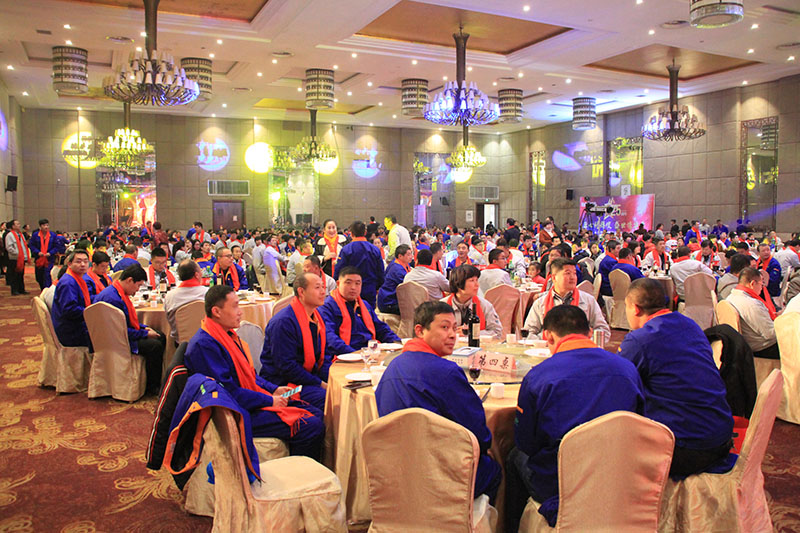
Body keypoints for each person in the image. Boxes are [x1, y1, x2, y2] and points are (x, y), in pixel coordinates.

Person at [506, 304, 644, 530]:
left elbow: (527, 442)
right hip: (617, 475)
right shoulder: (627, 368)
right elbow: (639, 423)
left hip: (561, 483)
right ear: (589, 332)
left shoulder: (539, 376)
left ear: (548, 336)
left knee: (514, 456)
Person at [375, 301, 502, 502]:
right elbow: (477, 433)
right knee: (494, 469)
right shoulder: (446, 373)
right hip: (440, 475)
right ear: (420, 331)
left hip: (396, 471)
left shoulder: (393, 365)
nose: (452, 335)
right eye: (444, 327)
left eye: (454, 328)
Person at [184, 285, 324, 458]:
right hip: (233, 412)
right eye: (235, 306)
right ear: (216, 311)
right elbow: (227, 393)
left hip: (247, 399)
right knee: (311, 425)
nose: (240, 312)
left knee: (316, 412)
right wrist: (269, 400)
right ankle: (299, 471)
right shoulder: (204, 345)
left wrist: (273, 389)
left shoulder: (227, 335)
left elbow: (251, 376)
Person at [620, 278, 734, 476]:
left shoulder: (640, 340)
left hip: (687, 448)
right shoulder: (690, 325)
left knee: (611, 439)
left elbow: (618, 384)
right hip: (722, 435)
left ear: (635, 309)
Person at [260, 273, 332, 411]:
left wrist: (330, 379)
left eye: (323, 287)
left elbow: (324, 355)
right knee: (328, 398)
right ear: (301, 292)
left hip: (309, 378)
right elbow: (287, 368)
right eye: (317, 287)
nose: (323, 292)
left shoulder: (317, 318)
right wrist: (320, 384)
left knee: (342, 389)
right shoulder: (284, 322)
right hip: (285, 386)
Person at [95, 265, 167, 394]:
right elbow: (120, 331)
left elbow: (125, 323)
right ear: (129, 280)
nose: (137, 289)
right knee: (154, 345)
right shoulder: (113, 299)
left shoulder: (116, 292)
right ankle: (152, 386)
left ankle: (154, 380)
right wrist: (144, 334)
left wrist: (144, 328)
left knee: (159, 335)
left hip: (117, 333)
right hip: (115, 340)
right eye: (138, 285)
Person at [318, 266, 401, 355]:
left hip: (369, 352)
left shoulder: (364, 305)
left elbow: (381, 328)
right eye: (348, 283)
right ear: (338, 284)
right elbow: (330, 338)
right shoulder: (327, 306)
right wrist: (355, 354)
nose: (353, 287)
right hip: (344, 354)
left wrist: (398, 343)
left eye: (357, 283)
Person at [523, 258, 610, 343]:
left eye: (574, 273)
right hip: (547, 349)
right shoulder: (540, 303)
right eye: (567, 273)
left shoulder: (588, 300)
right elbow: (529, 331)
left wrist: (585, 343)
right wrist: (543, 344)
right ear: (554, 278)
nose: (573, 277)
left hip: (580, 348)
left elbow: (603, 329)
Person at [726, 267, 779, 359]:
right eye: (761, 284)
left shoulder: (730, 297)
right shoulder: (752, 304)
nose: (762, 288)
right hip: (762, 348)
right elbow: (771, 334)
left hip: (742, 345)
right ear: (752, 284)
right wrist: (784, 322)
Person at [441, 265, 502, 338]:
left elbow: (497, 332)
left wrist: (472, 333)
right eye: (472, 280)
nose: (477, 285)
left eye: (477, 280)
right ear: (459, 284)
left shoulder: (484, 305)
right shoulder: (442, 306)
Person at [334, 221, 384, 308]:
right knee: (369, 312)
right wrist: (378, 286)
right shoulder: (375, 250)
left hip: (350, 289)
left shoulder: (346, 250)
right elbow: (380, 271)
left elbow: (339, 270)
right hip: (370, 288)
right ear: (365, 232)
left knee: (351, 312)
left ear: (351, 233)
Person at [51, 250, 93, 350]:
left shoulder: (75, 278)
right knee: (106, 335)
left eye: (85, 261)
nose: (82, 264)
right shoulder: (68, 283)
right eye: (78, 261)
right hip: (70, 331)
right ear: (69, 264)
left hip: (72, 325)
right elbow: (70, 310)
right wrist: (92, 313)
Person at [164, 260, 209, 344]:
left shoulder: (170, 296)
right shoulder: (208, 293)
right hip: (206, 341)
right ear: (197, 274)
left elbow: (168, 320)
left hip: (180, 343)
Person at [377, 244, 412, 315]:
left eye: (411, 254)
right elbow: (408, 286)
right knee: (415, 309)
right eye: (408, 254)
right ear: (400, 256)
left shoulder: (397, 263)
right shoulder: (397, 269)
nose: (411, 256)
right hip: (389, 302)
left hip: (389, 299)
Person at [29, 218, 60, 289]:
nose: (46, 227)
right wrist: (38, 252)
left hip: (49, 259)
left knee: (47, 275)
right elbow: (31, 245)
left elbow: (57, 246)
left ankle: (47, 289)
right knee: (39, 276)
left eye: (47, 225)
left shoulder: (53, 235)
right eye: (44, 225)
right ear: (40, 226)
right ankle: (42, 288)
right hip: (39, 258)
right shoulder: (35, 235)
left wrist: (50, 253)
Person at [5, 219, 30, 295]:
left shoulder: (21, 235)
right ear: (13, 226)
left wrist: (25, 256)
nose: (19, 225)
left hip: (21, 258)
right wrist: (17, 253)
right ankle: (14, 290)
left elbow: (23, 246)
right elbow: (9, 247)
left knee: (21, 275)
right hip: (14, 258)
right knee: (14, 275)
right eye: (17, 224)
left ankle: (21, 289)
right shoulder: (10, 235)